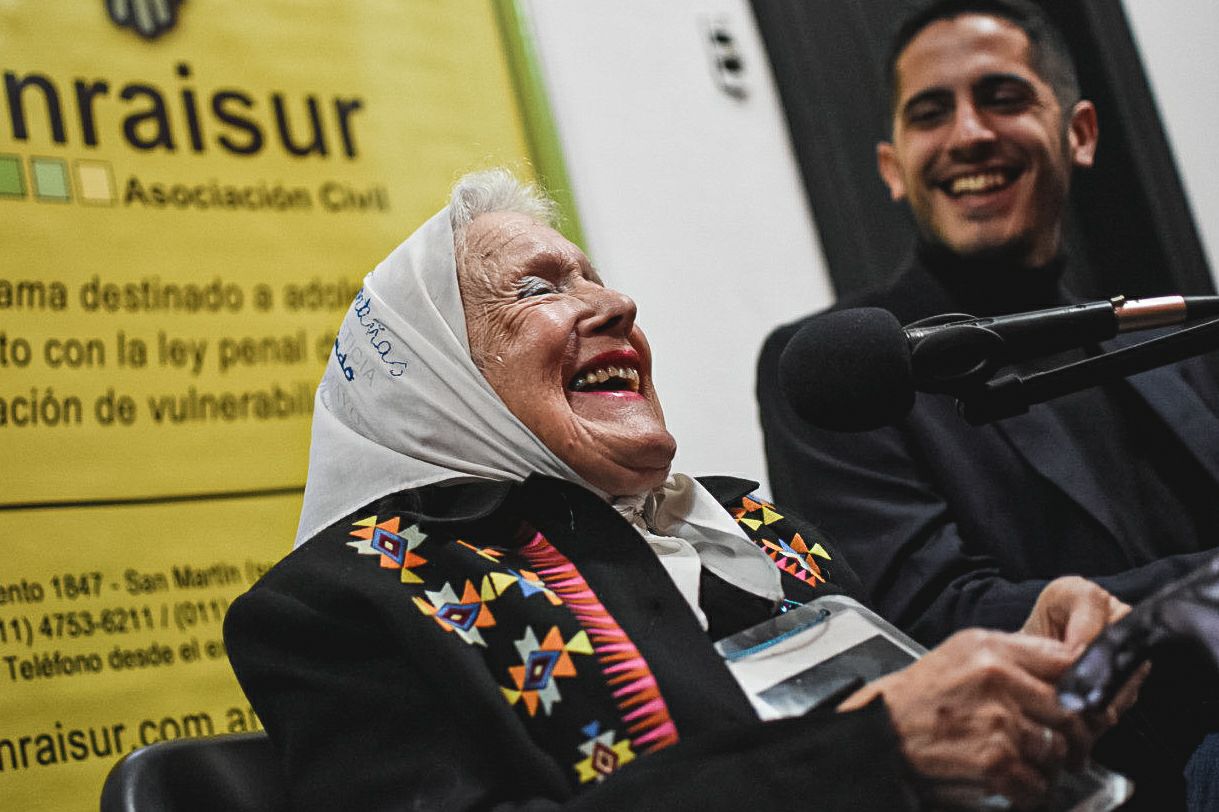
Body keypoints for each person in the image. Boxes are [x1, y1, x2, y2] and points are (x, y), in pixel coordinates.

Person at [224, 169, 1135, 810]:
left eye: (596, 278)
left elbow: (908, 709)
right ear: (436, 381)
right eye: (538, 289)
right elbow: (876, 740)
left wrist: (1022, 671)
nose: (615, 305)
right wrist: (873, 752)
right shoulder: (339, 604)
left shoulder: (750, 523)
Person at [756, 0, 1219, 802]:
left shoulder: (1167, 335)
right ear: (892, 166)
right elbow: (931, 619)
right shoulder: (846, 369)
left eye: (1002, 97)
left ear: (1079, 133)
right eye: (929, 113)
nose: (968, 133)